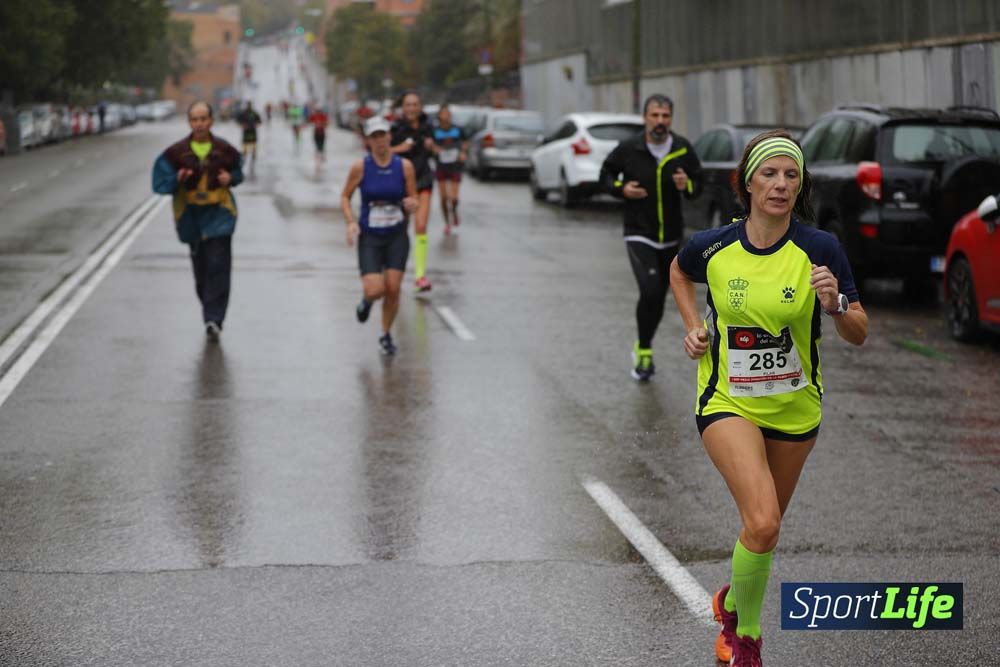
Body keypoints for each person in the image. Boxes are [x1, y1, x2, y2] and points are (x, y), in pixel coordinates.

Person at [670, 130, 868, 666]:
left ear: (800, 186)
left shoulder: (820, 249)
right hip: (727, 400)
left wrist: (835, 304)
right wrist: (692, 327)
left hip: (795, 408)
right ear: (747, 183)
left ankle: (732, 602)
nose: (780, 185)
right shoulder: (713, 245)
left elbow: (859, 330)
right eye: (770, 174)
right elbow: (680, 272)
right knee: (761, 522)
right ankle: (748, 639)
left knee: (764, 529)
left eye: (791, 175)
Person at [600, 94, 703, 381]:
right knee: (650, 291)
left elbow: (699, 183)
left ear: (671, 119)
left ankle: (645, 343)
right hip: (639, 233)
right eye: (654, 115)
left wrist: (687, 184)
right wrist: (621, 189)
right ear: (645, 118)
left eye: (665, 116)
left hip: (671, 236)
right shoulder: (630, 148)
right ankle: (644, 350)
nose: (660, 121)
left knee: (657, 296)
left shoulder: (682, 148)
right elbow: (605, 175)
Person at [152, 101, 244, 340]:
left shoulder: (225, 150)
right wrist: (177, 178)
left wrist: (230, 178)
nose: (200, 124)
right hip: (191, 216)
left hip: (220, 215)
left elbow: (238, 172)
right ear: (189, 123)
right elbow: (159, 184)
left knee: (219, 266)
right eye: (195, 119)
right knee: (201, 271)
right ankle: (209, 308)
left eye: (203, 119)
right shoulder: (176, 153)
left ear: (211, 121)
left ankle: (214, 319)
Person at [341, 117, 418, 356]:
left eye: (382, 135)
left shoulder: (404, 167)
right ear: (368, 141)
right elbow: (345, 197)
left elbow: (413, 198)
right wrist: (351, 222)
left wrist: (412, 204)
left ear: (389, 137)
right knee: (376, 289)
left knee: (393, 288)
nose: (379, 140)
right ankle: (367, 301)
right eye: (374, 136)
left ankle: (385, 334)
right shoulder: (360, 167)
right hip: (370, 237)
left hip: (396, 235)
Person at [390, 91, 436, 292]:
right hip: (402, 183)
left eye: (415, 104)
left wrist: (431, 147)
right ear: (403, 107)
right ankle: (393, 270)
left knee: (421, 225)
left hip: (424, 179)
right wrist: (401, 148)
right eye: (408, 105)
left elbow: (435, 152)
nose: (411, 108)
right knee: (400, 228)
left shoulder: (428, 127)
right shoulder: (396, 128)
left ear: (420, 107)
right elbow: (383, 153)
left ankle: (420, 276)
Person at [431, 105, 469, 234]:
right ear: (439, 116)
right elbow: (430, 144)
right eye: (443, 113)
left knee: (453, 198)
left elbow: (466, 142)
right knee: (443, 198)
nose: (446, 116)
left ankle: (454, 211)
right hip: (441, 165)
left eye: (448, 113)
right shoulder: (435, 130)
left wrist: (463, 152)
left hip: (455, 165)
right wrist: (434, 149)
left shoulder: (457, 129)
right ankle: (447, 223)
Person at [237, 101, 262, 172]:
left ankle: (253, 159)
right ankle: (243, 160)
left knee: (254, 147)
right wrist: (242, 125)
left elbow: (259, 121)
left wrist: (256, 124)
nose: (249, 106)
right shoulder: (243, 113)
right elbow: (238, 120)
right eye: (248, 105)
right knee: (245, 148)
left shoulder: (254, 113)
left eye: (250, 105)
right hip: (246, 132)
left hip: (253, 132)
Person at [308, 103, 329, 170]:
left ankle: (321, 157)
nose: (318, 112)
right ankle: (318, 161)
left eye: (319, 110)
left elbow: (327, 123)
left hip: (322, 133)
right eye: (317, 110)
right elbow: (309, 120)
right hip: (316, 133)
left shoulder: (323, 116)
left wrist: (322, 124)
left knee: (322, 146)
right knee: (317, 147)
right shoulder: (314, 116)